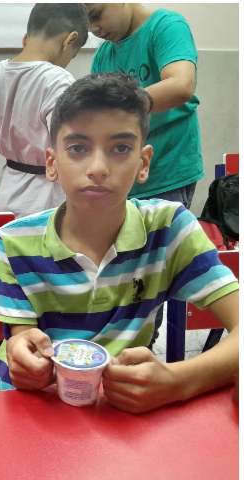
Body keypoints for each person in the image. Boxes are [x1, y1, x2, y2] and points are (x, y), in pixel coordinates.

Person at [0, 74, 238, 414]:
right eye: (78, 148)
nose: (98, 168)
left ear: (143, 163)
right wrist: (24, 357)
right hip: (30, 404)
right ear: (52, 163)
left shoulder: (169, 229)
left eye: (120, 148)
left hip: (121, 408)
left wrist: (179, 381)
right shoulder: (15, 241)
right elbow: (23, 339)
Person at [87, 3, 204, 347]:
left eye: (96, 14)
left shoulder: (165, 26)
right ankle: (120, 346)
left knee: (149, 276)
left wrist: (116, 104)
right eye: (86, 21)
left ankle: (140, 349)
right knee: (121, 269)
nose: (94, 28)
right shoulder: (105, 53)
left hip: (166, 173)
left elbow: (181, 85)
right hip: (122, 179)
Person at [0, 4, 89, 218]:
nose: (68, 61)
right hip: (50, 199)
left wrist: (0, 130)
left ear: (27, 36)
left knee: (9, 239)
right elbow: (71, 148)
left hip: (8, 191)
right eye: (73, 54)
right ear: (69, 39)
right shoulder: (58, 80)